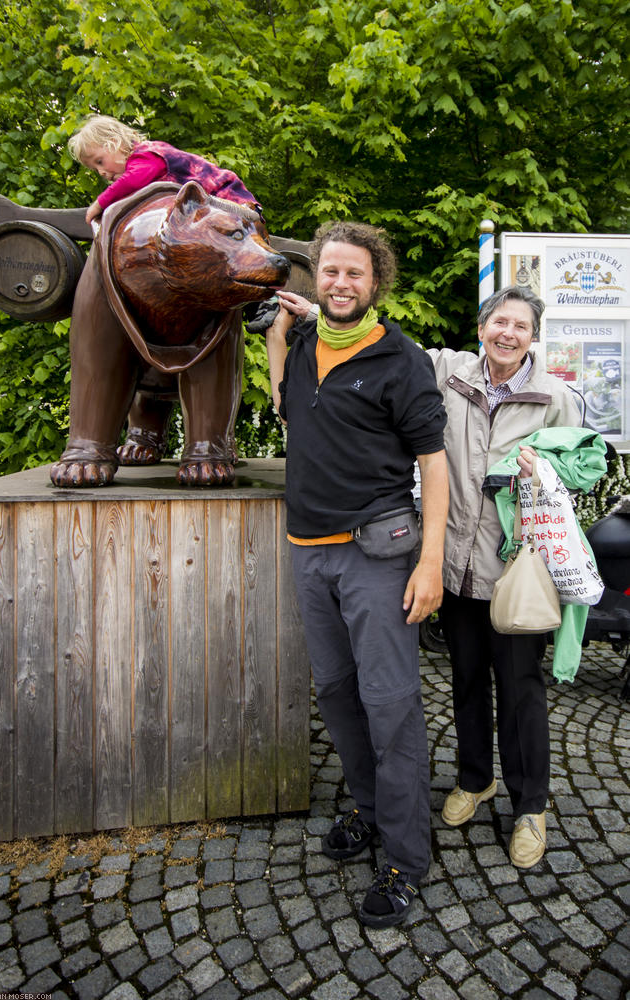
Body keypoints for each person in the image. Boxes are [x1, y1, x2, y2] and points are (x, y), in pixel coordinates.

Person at [264, 221, 449, 928]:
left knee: (390, 703)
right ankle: (369, 814)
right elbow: (286, 405)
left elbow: (433, 462)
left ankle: (404, 857)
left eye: (354, 273)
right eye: (329, 272)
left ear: (376, 282)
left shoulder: (400, 359)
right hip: (307, 550)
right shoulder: (310, 343)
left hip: (376, 554)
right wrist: (278, 336)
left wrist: (428, 561)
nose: (340, 283)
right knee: (338, 697)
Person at [427, 285, 582, 869]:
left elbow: (587, 465)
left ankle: (530, 806)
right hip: (457, 567)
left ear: (533, 337)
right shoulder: (451, 372)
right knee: (465, 680)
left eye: (520, 326)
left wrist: (547, 469)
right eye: (498, 322)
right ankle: (475, 779)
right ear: (482, 326)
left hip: (516, 572)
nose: (507, 333)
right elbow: (391, 345)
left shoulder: (555, 398)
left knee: (520, 693)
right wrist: (320, 310)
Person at [67, 115, 262, 225]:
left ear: (114, 143)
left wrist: (99, 204)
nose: (100, 172)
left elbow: (130, 181)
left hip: (232, 202)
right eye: (94, 168)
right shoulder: (143, 165)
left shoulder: (146, 156)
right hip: (206, 211)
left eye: (99, 161)